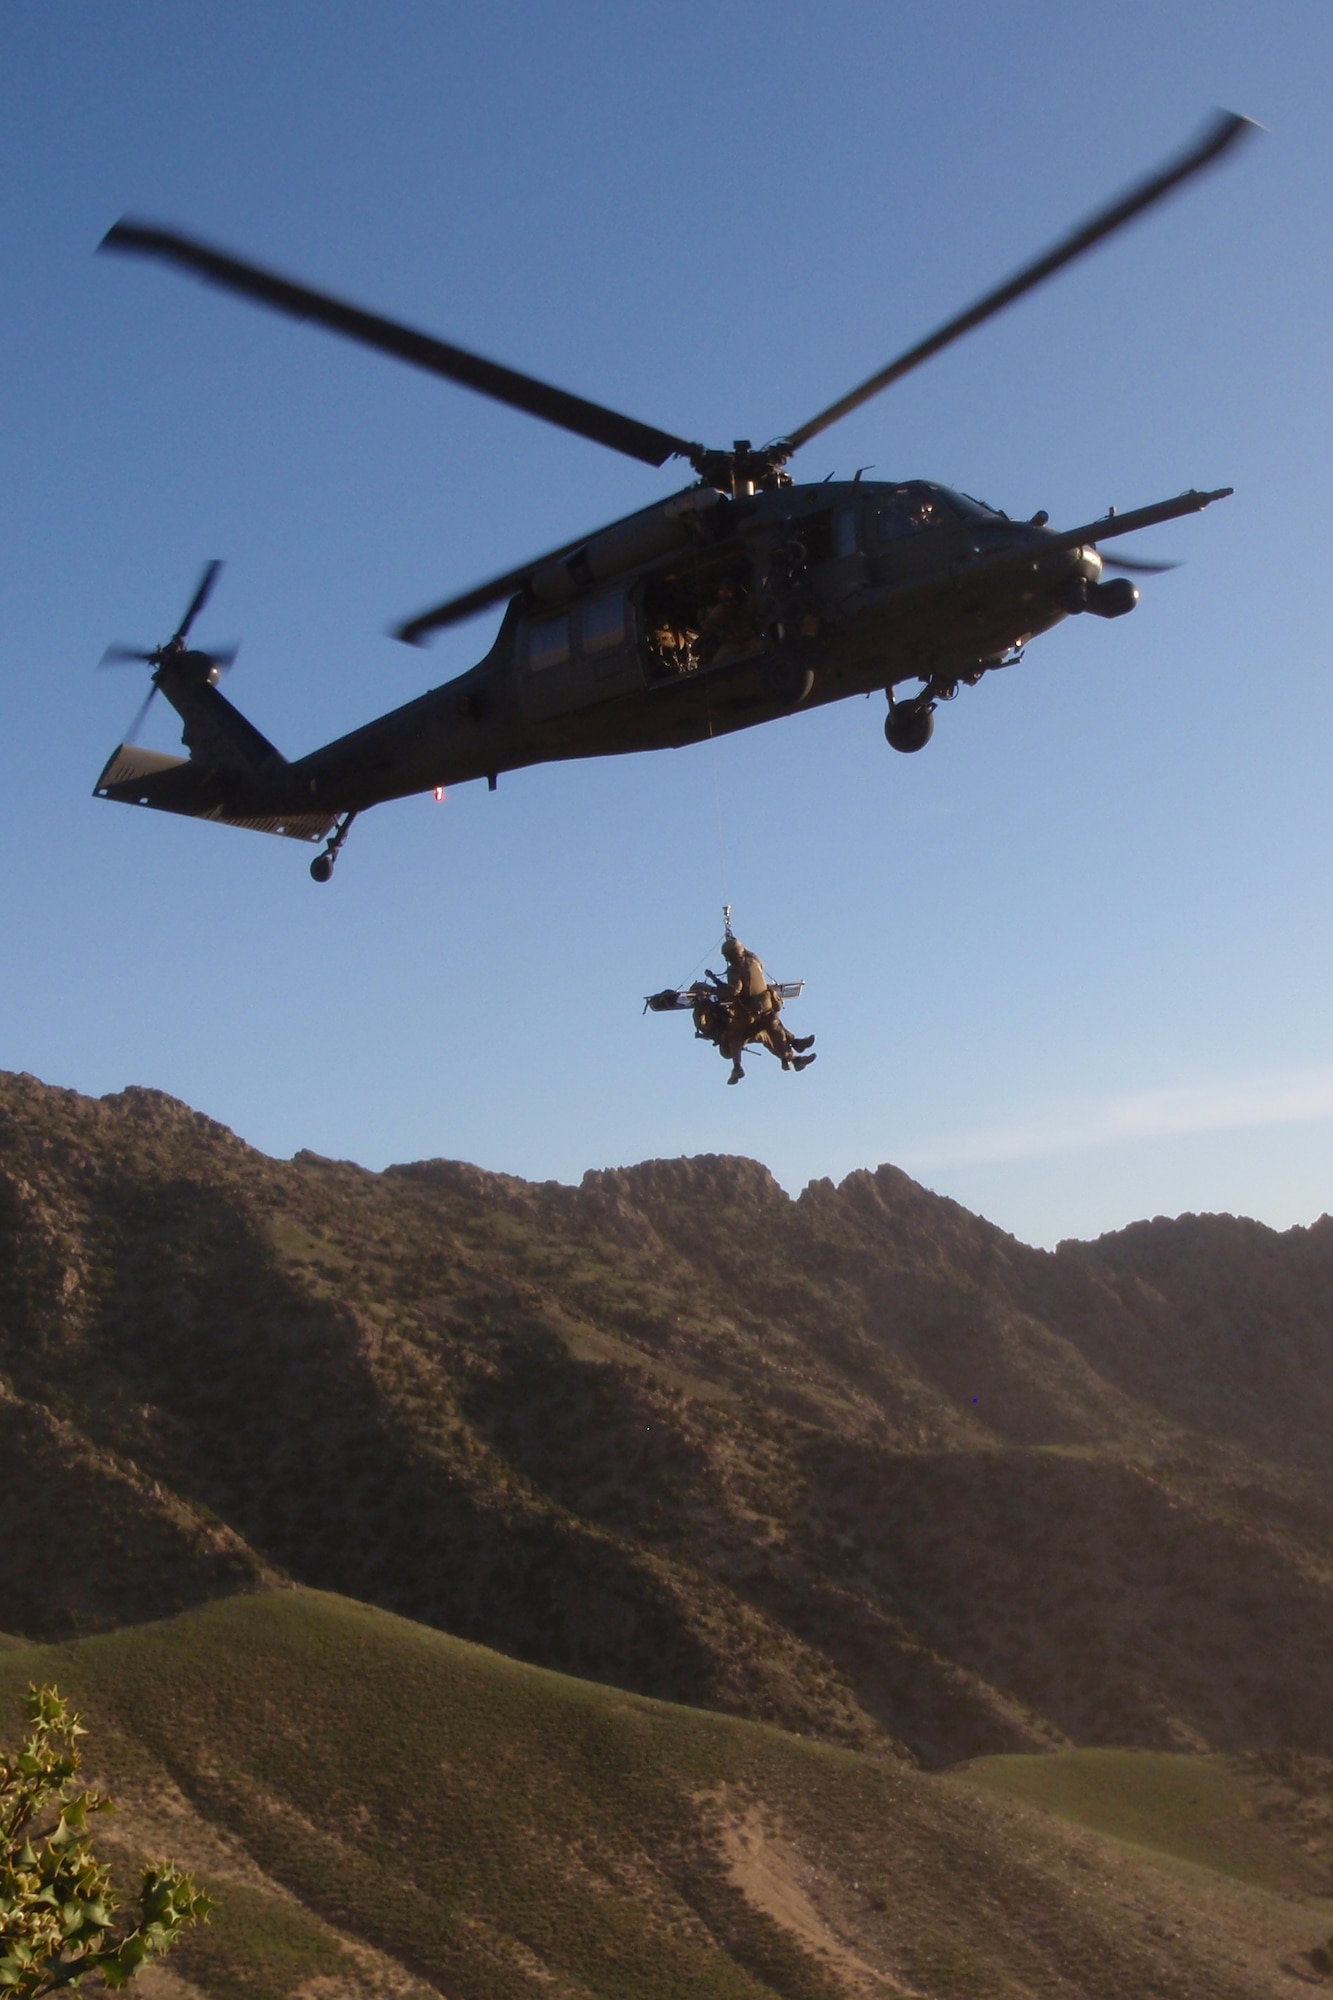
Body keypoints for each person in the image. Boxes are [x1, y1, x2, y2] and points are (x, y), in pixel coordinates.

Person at [707, 935, 815, 1084]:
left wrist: (715, 989)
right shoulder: (754, 960)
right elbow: (756, 961)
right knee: (776, 1031)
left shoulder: (734, 970)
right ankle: (795, 1050)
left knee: (735, 1035)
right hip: (768, 1008)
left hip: (750, 1014)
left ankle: (737, 1067)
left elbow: (734, 991)